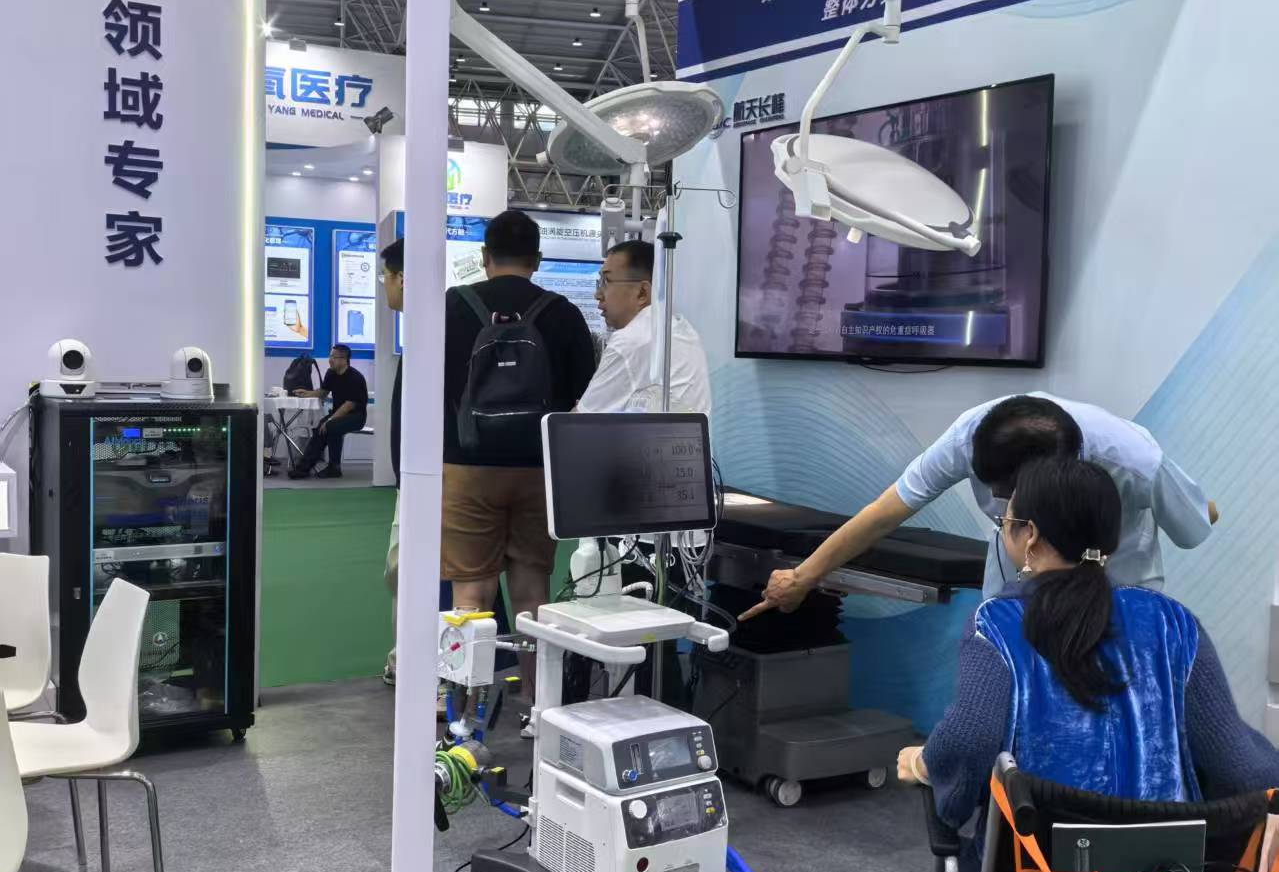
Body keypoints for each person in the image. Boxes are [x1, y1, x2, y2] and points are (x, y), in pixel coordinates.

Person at [897, 456, 1279, 872]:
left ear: (1030, 535)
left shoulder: (995, 625)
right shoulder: (1172, 623)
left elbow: (969, 737)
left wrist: (924, 765)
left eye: (1006, 522)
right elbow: (1242, 768)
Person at [744, 393, 1218, 619]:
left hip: (1117, 587)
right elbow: (885, 511)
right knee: (998, 680)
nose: (1014, 524)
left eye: (1020, 513)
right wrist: (802, 577)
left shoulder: (1134, 462)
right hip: (1013, 589)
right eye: (1007, 512)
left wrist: (1183, 503)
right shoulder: (971, 435)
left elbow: (1198, 520)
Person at [442, 210, 596, 696]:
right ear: (538, 259)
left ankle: (465, 709)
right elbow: (583, 392)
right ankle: (536, 702)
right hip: (538, 469)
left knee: (470, 592)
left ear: (484, 256)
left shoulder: (452, 307)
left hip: (466, 467)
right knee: (532, 590)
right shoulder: (563, 313)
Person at [578, 239, 711, 415]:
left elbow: (579, 421)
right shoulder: (684, 330)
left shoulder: (632, 341)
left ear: (642, 292)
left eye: (607, 281)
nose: (597, 294)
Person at [288, 343, 369, 479]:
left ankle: (333, 467)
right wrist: (306, 393)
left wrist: (330, 420)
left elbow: (348, 405)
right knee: (321, 427)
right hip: (339, 414)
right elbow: (323, 392)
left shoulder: (355, 378)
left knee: (330, 426)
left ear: (344, 360)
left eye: (333, 357)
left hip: (356, 417)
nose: (330, 360)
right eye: (330, 356)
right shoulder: (331, 373)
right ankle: (304, 468)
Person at [380, 237, 404, 686]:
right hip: (427, 478)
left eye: (384, 277)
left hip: (427, 481)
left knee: (405, 570)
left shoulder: (433, 332)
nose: (384, 285)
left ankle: (411, 661)